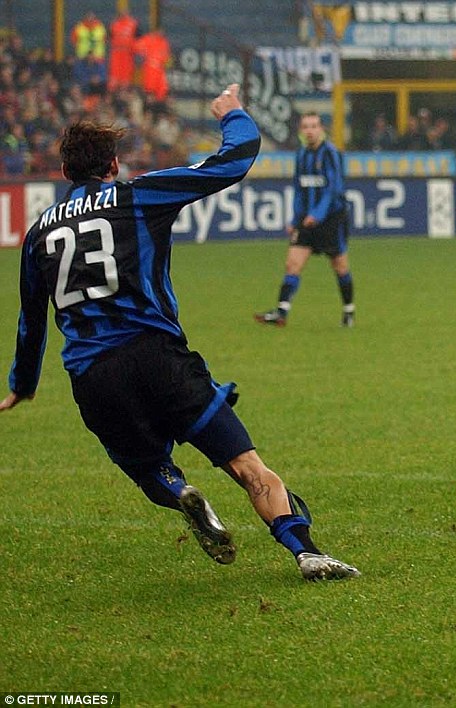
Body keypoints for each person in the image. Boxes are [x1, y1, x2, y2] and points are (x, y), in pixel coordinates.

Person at [0, 84, 359, 582]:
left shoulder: (39, 231)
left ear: (64, 173)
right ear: (113, 166)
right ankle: (306, 551)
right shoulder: (137, 195)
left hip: (93, 377)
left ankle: (180, 492)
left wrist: (23, 383)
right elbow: (233, 161)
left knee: (149, 467)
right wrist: (233, 114)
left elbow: (30, 317)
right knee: (246, 465)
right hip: (159, 358)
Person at [255, 112, 354, 327]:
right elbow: (299, 189)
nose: (310, 130)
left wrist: (317, 215)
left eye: (314, 126)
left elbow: (333, 190)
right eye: (306, 127)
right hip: (307, 220)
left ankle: (348, 312)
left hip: (331, 219)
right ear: (301, 131)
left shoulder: (330, 153)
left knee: (340, 266)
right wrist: (295, 218)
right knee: (292, 263)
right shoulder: (301, 155)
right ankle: (281, 313)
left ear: (321, 129)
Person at [107, 9, 138, 92]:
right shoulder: (113, 24)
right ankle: (113, 93)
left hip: (128, 54)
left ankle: (125, 92)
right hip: (116, 53)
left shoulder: (133, 24)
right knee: (114, 76)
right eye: (121, 13)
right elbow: (108, 36)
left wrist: (133, 48)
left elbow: (138, 38)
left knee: (126, 77)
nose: (123, 14)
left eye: (125, 13)